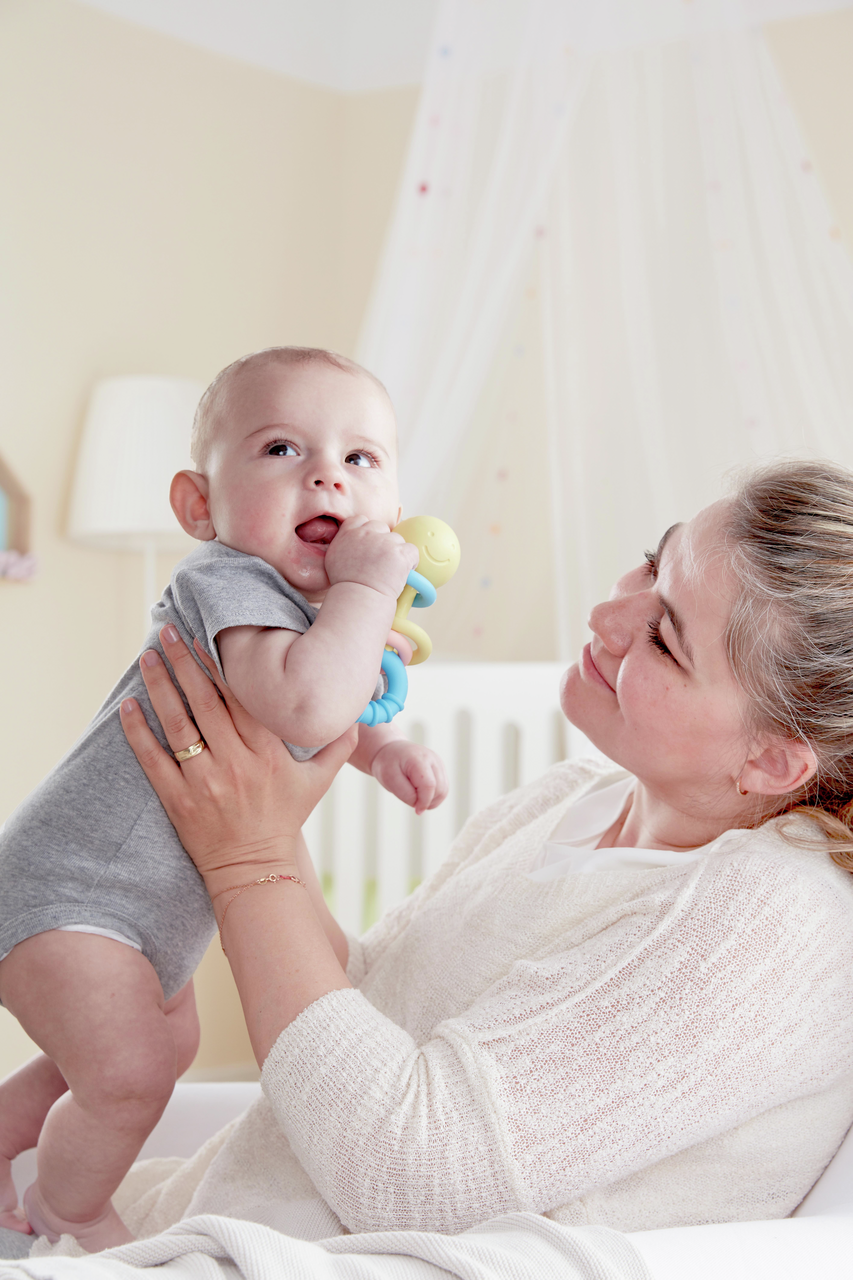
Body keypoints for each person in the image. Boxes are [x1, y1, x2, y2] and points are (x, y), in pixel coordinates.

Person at [48, 455, 847, 1254]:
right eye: (650, 561)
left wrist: (249, 859)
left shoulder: (779, 920)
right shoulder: (565, 801)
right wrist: (262, 791)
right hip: (209, 1221)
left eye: (665, 641)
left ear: (772, 761)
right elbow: (360, 1005)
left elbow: (412, 1171)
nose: (609, 613)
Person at [0, 347, 447, 1252]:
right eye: (282, 449)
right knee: (124, 1076)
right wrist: (365, 589)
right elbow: (305, 701)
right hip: (70, 897)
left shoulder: (316, 616)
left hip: (139, 918)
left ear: (392, 511)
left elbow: (328, 708)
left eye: (360, 459)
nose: (326, 472)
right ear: (199, 506)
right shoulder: (227, 583)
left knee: (146, 1058)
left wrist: (386, 746)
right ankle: (69, 1208)